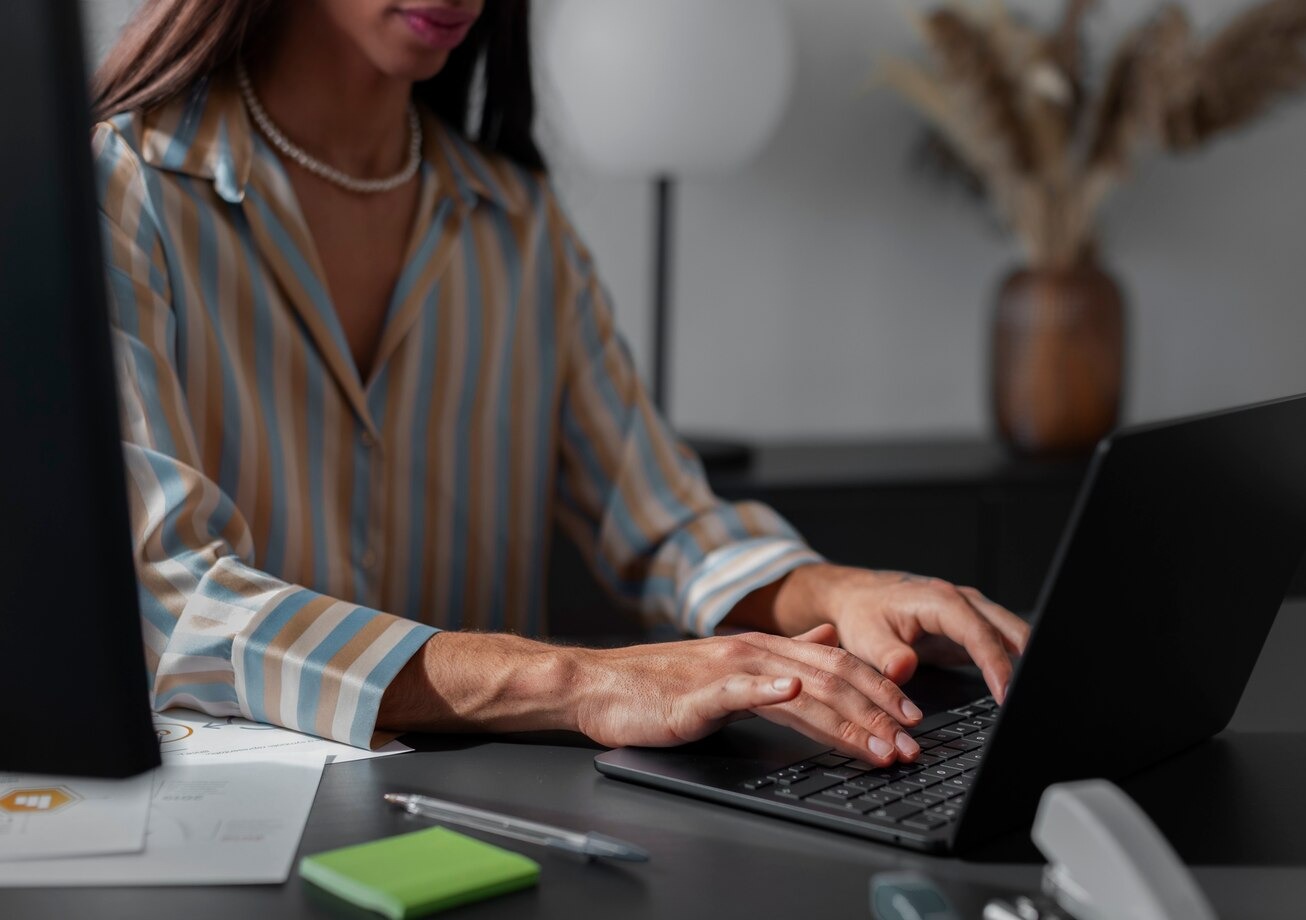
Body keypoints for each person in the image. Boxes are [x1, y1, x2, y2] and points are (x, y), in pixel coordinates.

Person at [91, 0, 1029, 766]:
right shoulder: (123, 189)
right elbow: (172, 598)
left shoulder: (517, 224)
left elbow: (664, 522)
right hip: (222, 835)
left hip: (484, 821)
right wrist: (581, 681)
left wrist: (840, 593)